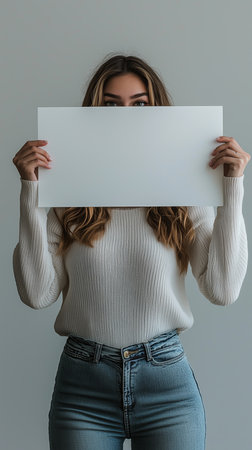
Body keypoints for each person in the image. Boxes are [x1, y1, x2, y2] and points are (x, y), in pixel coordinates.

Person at [12, 54, 250, 450]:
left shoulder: (182, 195)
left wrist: (232, 188)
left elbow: (223, 290)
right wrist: (31, 190)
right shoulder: (69, 198)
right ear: (94, 111)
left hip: (167, 388)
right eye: (111, 104)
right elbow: (36, 295)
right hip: (82, 388)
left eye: (139, 104)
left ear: (155, 110)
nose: (126, 115)